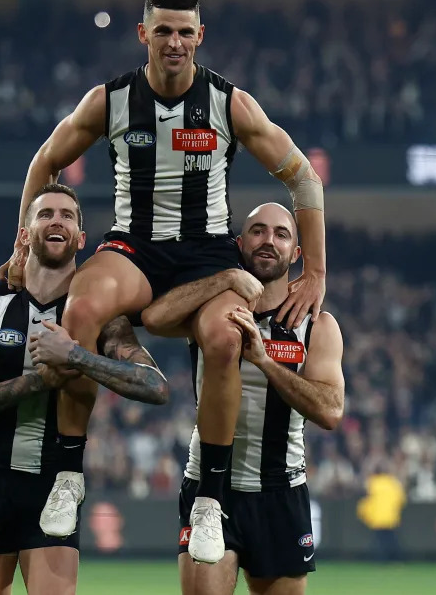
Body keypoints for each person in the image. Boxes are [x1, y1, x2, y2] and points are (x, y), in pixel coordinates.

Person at [0, 0, 327, 563]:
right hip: (136, 248)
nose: (174, 42)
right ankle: (69, 474)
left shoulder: (229, 104)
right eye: (163, 31)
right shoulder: (111, 101)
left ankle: (211, 499)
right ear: (142, 34)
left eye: (184, 32)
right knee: (82, 306)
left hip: (208, 252)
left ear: (200, 37)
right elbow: (45, 160)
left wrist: (318, 272)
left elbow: (303, 176)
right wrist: (22, 246)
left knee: (229, 335)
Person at [0, 183, 168, 595]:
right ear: (25, 234)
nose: (56, 220)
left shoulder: (97, 317)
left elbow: (156, 386)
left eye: (67, 215)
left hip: (54, 484)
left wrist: (77, 356)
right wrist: (38, 381)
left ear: (81, 238)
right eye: (45, 214)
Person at [142, 203, 344, 595]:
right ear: (240, 243)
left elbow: (331, 411)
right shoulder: (211, 311)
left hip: (280, 490)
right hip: (211, 489)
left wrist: (264, 360)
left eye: (282, 234)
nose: (269, 240)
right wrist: (225, 280)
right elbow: (155, 316)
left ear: (296, 254)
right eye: (258, 231)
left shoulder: (316, 325)